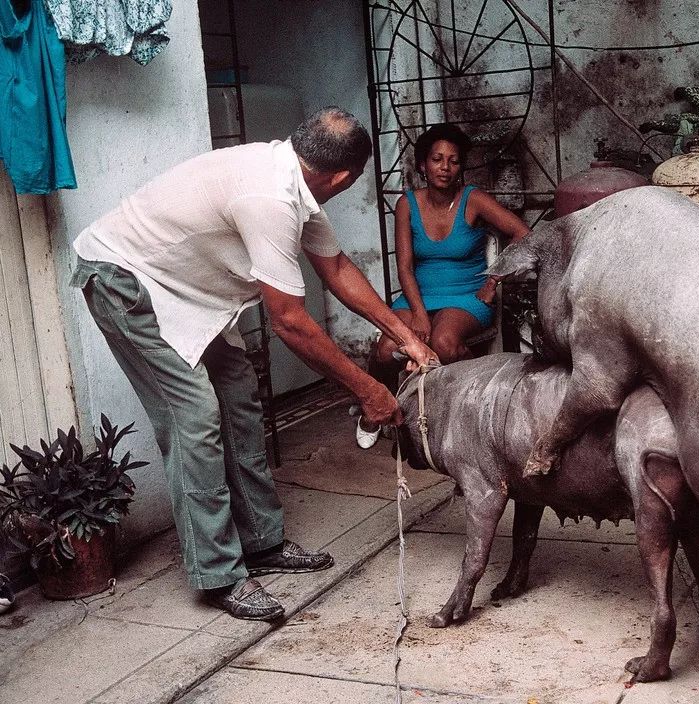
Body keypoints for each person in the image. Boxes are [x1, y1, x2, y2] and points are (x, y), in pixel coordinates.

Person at [70, 106, 439, 621]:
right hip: (125, 279)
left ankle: (262, 544)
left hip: (186, 288)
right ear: (342, 176)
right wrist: (366, 390)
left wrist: (403, 335)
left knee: (240, 400)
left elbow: (335, 266)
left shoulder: (294, 177)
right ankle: (219, 573)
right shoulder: (269, 197)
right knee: (195, 418)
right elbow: (289, 322)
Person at [357, 123, 530, 449]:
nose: (445, 168)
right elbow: (405, 267)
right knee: (383, 350)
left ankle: (475, 404)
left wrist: (493, 281)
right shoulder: (407, 204)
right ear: (423, 164)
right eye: (437, 159)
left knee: (444, 341)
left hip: (466, 295)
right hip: (417, 295)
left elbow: (524, 233)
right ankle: (377, 406)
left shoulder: (473, 198)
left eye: (453, 160)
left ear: (461, 166)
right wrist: (420, 314)